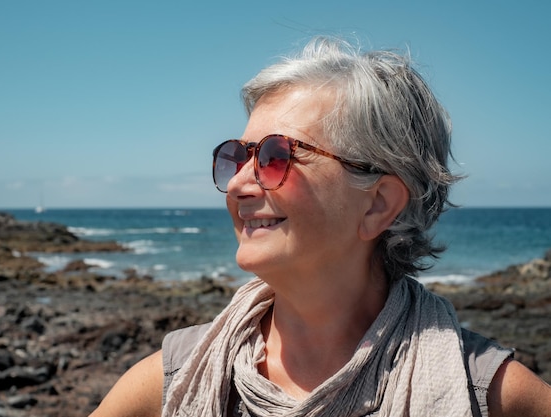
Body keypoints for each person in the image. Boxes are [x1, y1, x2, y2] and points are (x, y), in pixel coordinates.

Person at [89, 37, 551, 417]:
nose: (238, 185)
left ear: (378, 204)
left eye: (275, 156)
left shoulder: (489, 395)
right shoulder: (173, 380)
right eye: (237, 156)